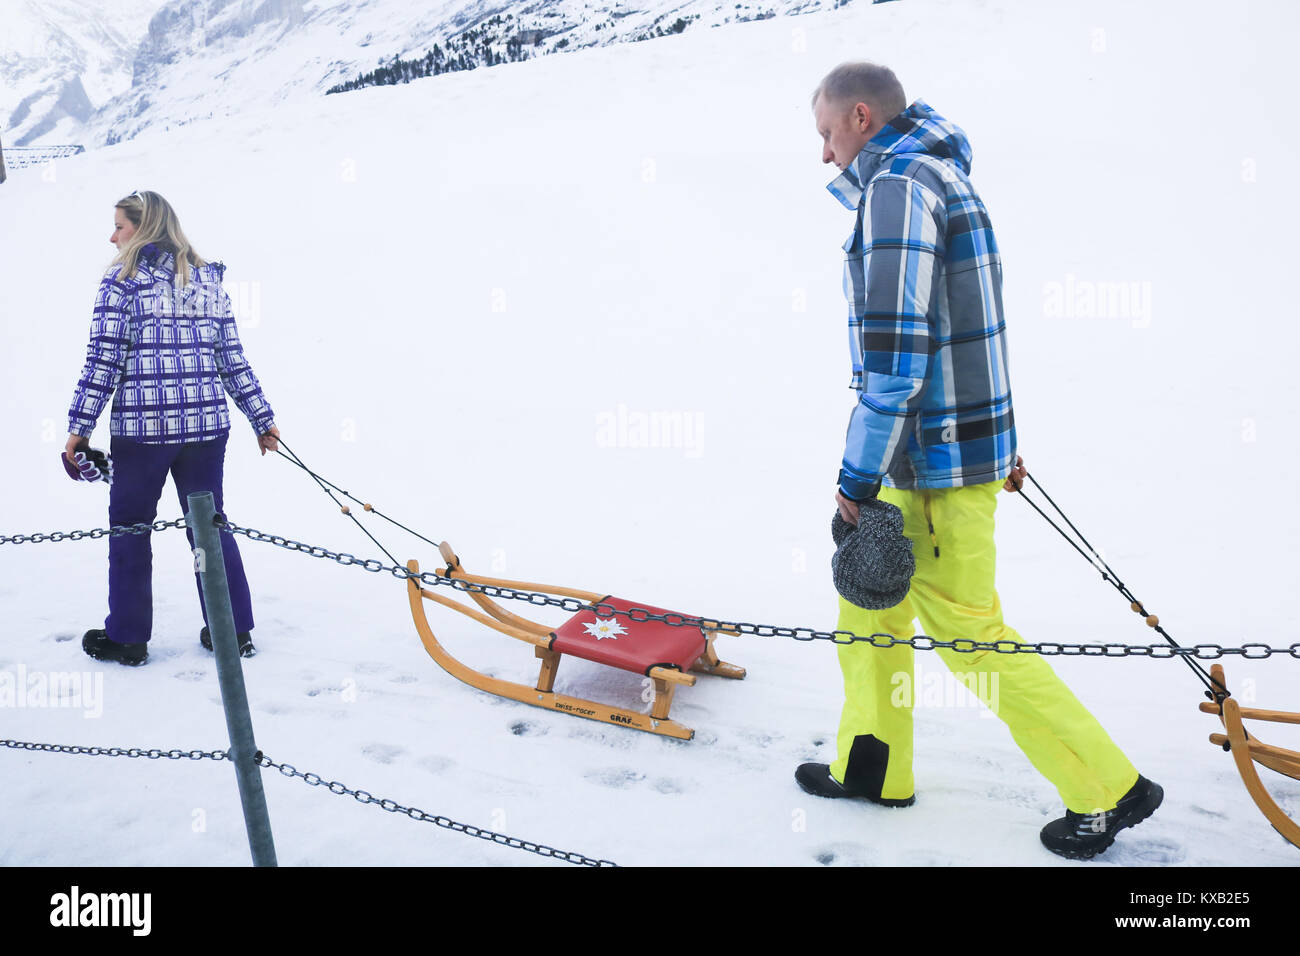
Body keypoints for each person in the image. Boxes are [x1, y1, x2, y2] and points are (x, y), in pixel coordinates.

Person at [797, 63, 1162, 859]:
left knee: (971, 639)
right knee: (868, 610)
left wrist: (857, 478)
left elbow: (897, 357)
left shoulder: (897, 189)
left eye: (827, 133)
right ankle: (872, 764)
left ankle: (1106, 789)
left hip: (925, 467)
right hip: (938, 453)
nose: (824, 154)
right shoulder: (948, 181)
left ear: (861, 117)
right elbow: (973, 323)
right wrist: (995, 441)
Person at [65, 190, 279, 666]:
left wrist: (78, 428)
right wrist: (261, 418)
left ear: (141, 229)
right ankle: (233, 630)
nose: (112, 235)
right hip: (206, 428)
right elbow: (232, 360)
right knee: (210, 526)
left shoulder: (122, 281)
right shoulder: (207, 281)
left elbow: (104, 360)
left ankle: (127, 637)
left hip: (144, 430)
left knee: (129, 529)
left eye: (119, 225)